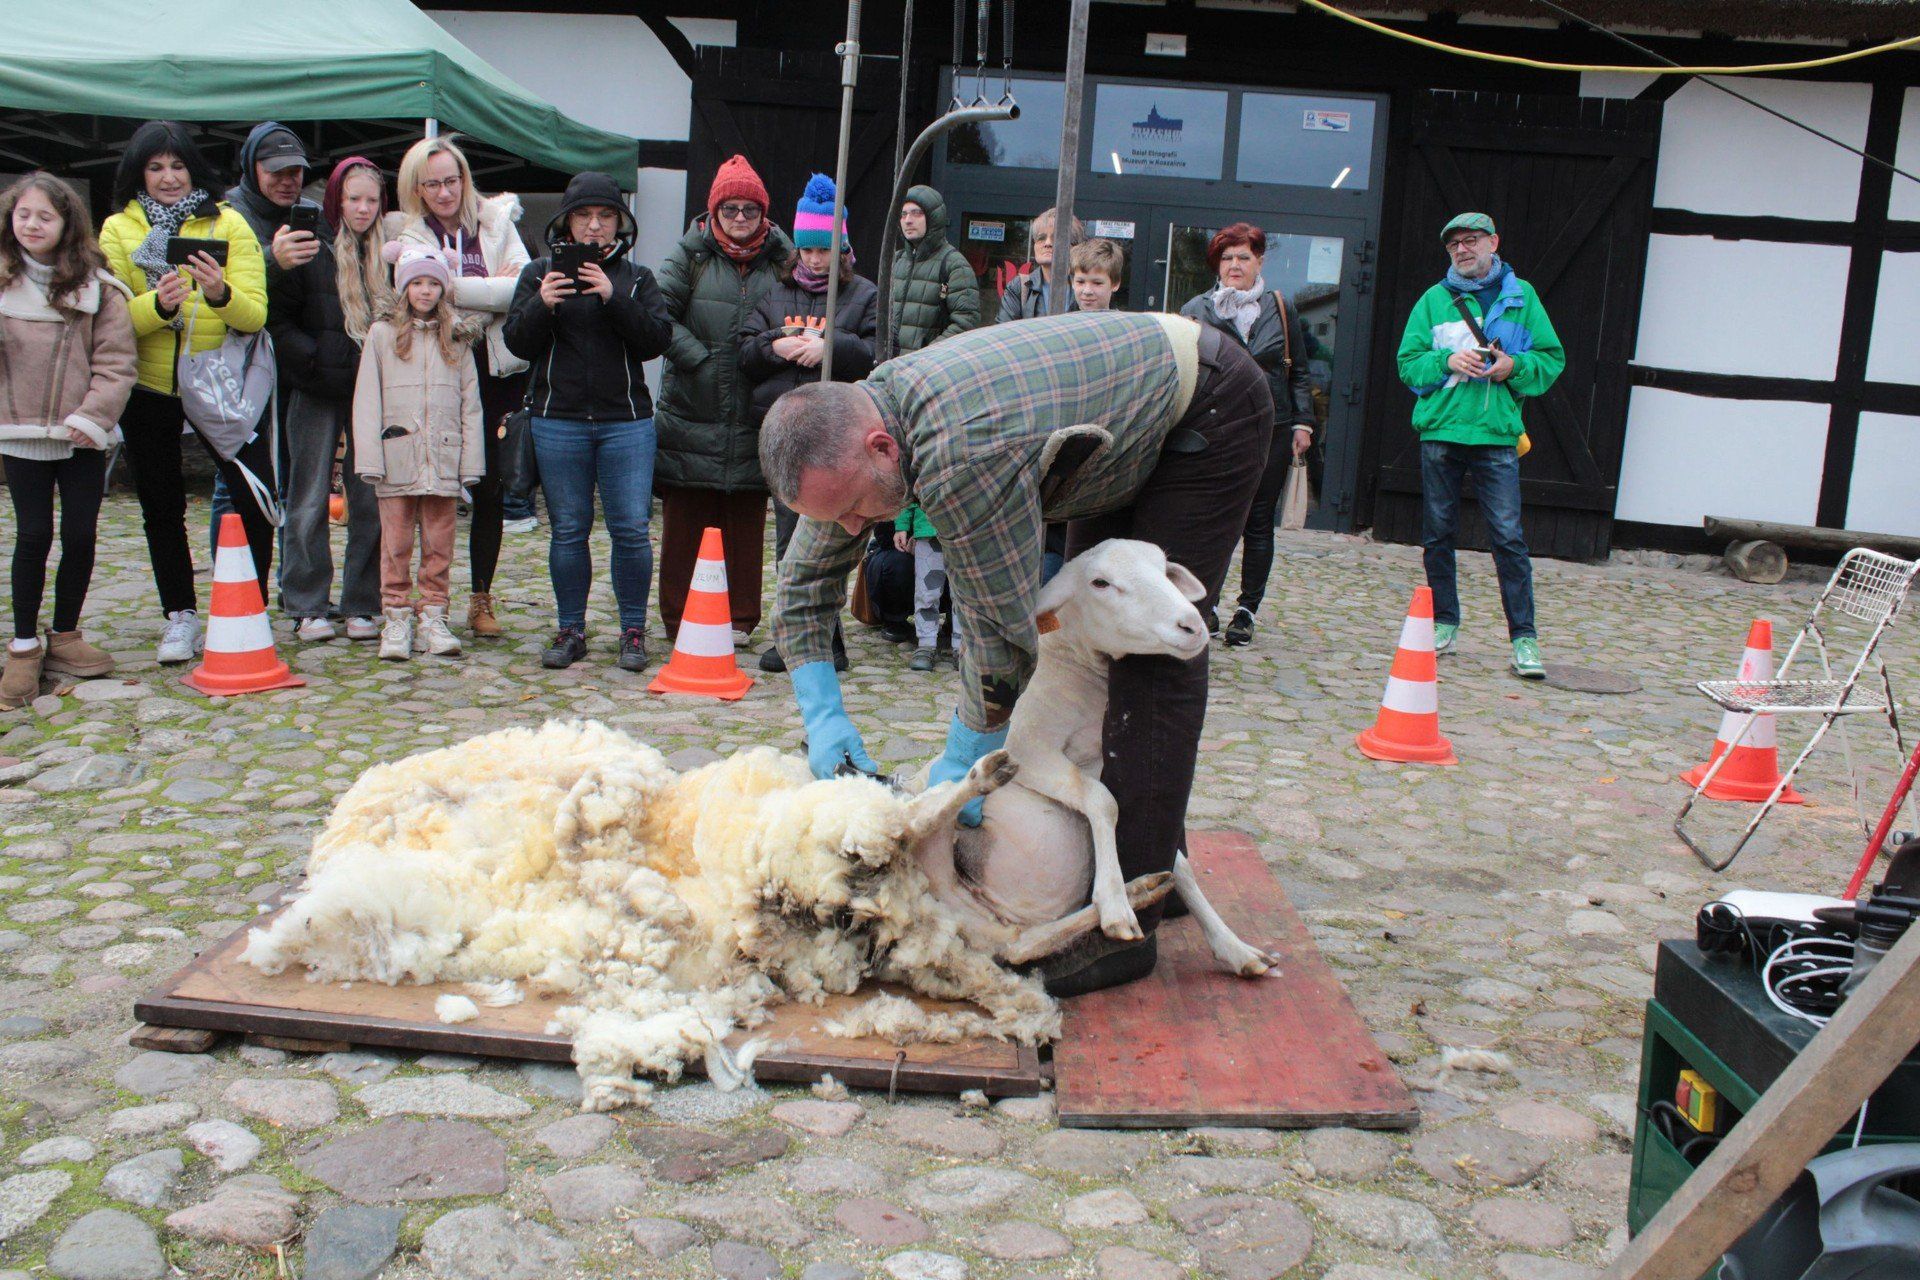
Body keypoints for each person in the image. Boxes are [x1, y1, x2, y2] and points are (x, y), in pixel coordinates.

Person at [763, 310, 1274, 996]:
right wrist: (823, 718)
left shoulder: (961, 457)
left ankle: (1126, 927)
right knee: (1088, 620)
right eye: (838, 516)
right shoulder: (855, 438)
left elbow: (1002, 633)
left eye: (856, 508)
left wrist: (963, 761)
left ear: (882, 447)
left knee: (1153, 652)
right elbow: (800, 590)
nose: (854, 529)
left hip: (1207, 404)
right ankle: (1149, 856)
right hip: (1106, 428)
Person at [99, 120, 272, 664]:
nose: (168, 178)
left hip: (219, 380)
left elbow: (255, 313)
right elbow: (109, 321)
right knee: (160, 503)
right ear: (138, 174)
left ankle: (250, 604)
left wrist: (219, 292)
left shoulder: (229, 223)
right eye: (155, 167)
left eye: (177, 165)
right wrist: (160, 305)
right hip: (150, 382)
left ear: (194, 168)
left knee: (250, 493)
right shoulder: (116, 231)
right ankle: (180, 615)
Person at [502, 172, 672, 673]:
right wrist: (543, 305)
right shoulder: (538, 274)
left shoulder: (637, 278)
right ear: (567, 224)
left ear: (620, 223)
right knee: (569, 530)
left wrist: (612, 297)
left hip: (626, 422)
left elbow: (656, 341)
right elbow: (516, 343)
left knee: (631, 530)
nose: (594, 227)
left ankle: (633, 631)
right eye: (584, 217)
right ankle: (571, 628)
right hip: (560, 421)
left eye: (604, 217)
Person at [1397, 212, 1564, 679]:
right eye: (1454, 245)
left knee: (1508, 538)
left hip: (1495, 435)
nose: (1462, 250)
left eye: (1471, 241)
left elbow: (1552, 360)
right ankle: (1444, 623)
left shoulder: (1521, 296)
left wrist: (1515, 368)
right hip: (1441, 432)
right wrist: (1447, 359)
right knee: (1437, 534)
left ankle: (1524, 638)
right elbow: (1408, 365)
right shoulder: (1433, 300)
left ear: (1494, 242)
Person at [0, 174, 137, 708]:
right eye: (24, 215)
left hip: (81, 435)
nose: (32, 225)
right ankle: (24, 646)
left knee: (80, 536)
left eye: (45, 216)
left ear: (67, 225)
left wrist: (93, 416)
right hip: (20, 435)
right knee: (33, 536)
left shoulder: (98, 288)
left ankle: (65, 635)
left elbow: (116, 362)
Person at [393, 135, 531, 639]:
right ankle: (422, 600)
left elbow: (520, 286)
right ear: (418, 188)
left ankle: (480, 597)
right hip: (438, 369)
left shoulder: (496, 221)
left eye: (452, 180)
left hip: (494, 370)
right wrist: (487, 291)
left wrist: (458, 286)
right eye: (433, 184)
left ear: (465, 179)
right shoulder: (411, 233)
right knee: (430, 486)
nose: (446, 192)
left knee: (490, 487)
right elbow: (420, 295)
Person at [654, 155, 792, 642]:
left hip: (754, 408)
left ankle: (739, 618)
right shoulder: (688, 256)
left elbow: (806, 307)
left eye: (749, 210)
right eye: (730, 209)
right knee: (686, 515)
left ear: (763, 215)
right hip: (693, 405)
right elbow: (656, 316)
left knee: (745, 517)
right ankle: (676, 616)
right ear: (713, 212)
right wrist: (697, 357)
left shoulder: (782, 260)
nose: (739, 219)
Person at [740, 173, 876, 673]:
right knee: (788, 541)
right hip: (786, 438)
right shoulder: (774, 294)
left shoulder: (863, 295)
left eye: (824, 250)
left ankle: (829, 638)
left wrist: (830, 348)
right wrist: (772, 345)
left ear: (842, 247)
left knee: (829, 539)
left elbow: (880, 354)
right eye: (808, 250)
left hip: (839, 437)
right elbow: (745, 354)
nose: (816, 260)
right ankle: (796, 636)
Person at [269, 157, 390, 644]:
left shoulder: (388, 253)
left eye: (372, 200)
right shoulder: (309, 246)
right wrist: (313, 360)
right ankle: (305, 602)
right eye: (353, 198)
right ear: (336, 198)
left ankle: (363, 601)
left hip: (372, 391)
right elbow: (277, 319)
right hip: (316, 387)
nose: (362, 209)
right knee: (308, 497)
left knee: (370, 499)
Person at [1178, 223, 1315, 649]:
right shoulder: (1196, 309)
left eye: (1243, 257)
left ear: (1259, 261)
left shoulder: (1280, 307)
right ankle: (1207, 604)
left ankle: (1247, 610)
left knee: (1258, 523)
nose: (1234, 265)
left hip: (1271, 429)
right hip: (1215, 428)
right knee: (1213, 520)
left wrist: (1303, 422)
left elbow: (1299, 369)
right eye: (1226, 258)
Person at [353, 244, 482, 662]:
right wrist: (370, 458)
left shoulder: (457, 339)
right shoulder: (382, 335)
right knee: (395, 542)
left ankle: (433, 614)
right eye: (417, 283)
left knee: (440, 542)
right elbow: (367, 398)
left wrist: (470, 464)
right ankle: (396, 616)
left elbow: (471, 405)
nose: (425, 291)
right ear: (403, 286)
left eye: (432, 283)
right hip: (398, 457)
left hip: (443, 458)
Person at [211, 121, 321, 556]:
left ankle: (285, 587)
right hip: (240, 365)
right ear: (251, 168)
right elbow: (221, 290)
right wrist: (273, 260)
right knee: (236, 477)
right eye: (275, 170)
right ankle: (230, 582)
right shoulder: (227, 215)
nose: (287, 180)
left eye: (295, 171)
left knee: (290, 479)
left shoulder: (312, 213)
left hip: (294, 364)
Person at [889, 184, 978, 354]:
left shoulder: (954, 264)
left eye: (917, 213)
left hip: (929, 372)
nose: (908, 220)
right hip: (891, 369)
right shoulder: (896, 260)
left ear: (933, 217)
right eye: (903, 214)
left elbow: (966, 322)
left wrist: (927, 356)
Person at [996, 207, 1083, 323]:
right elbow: (1005, 333)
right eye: (1041, 238)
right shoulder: (1018, 287)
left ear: (1074, 245)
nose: (1047, 243)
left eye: (1056, 237)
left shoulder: (1088, 286)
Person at [1068, 237, 1123, 314]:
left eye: (1097, 283)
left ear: (1115, 284)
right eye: (1080, 282)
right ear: (1072, 282)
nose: (1087, 291)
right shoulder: (1061, 323)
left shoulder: (1124, 324)